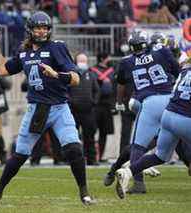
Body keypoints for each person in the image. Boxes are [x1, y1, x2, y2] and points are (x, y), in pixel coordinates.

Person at [0, 11, 96, 205]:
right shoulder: (24, 52)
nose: (42, 31)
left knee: (74, 149)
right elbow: (1, 70)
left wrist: (57, 74)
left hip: (59, 108)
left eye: (45, 28)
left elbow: (75, 79)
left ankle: (84, 193)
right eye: (38, 27)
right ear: (30, 30)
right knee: (20, 154)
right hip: (36, 109)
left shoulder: (57, 48)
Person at [115, 58, 191, 199]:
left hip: (168, 115)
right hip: (186, 119)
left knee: (159, 156)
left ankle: (127, 172)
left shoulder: (185, 72)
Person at [69, 52, 100, 165]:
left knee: (89, 137)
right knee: (73, 137)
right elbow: (66, 91)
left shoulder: (91, 74)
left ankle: (91, 160)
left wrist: (93, 102)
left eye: (84, 61)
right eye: (80, 61)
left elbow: (96, 90)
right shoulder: (71, 74)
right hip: (74, 111)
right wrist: (71, 102)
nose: (82, 63)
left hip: (88, 111)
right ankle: (74, 160)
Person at [91, 53, 115, 162]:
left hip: (107, 105)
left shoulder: (112, 71)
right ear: (102, 58)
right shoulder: (92, 70)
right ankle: (92, 156)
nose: (109, 59)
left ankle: (100, 156)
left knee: (104, 132)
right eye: (108, 57)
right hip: (95, 105)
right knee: (91, 131)